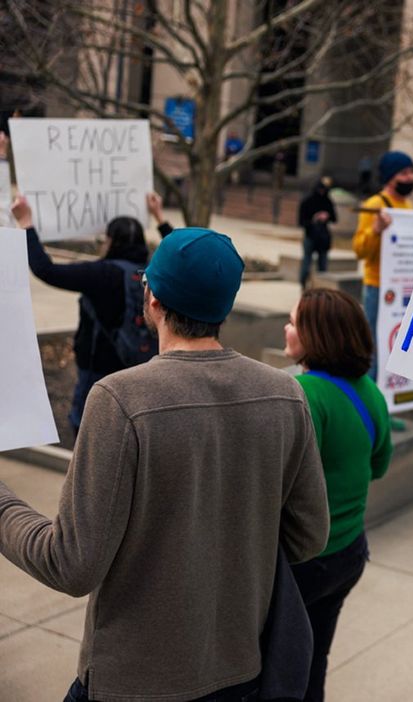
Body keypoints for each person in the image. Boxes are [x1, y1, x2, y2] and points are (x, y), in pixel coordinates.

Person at [0, 226, 329, 700]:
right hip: (240, 673)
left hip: (132, 681)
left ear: (152, 299)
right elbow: (309, 536)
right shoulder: (285, 395)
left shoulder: (120, 399)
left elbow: (70, 564)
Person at [283, 288, 393, 701]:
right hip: (349, 554)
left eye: (294, 322)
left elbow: (282, 483)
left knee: (277, 667)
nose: (287, 329)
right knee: (314, 660)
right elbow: (379, 466)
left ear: (317, 335)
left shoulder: (304, 394)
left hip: (303, 562)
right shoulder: (370, 392)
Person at [11, 193, 173, 434]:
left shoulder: (100, 274)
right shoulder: (154, 273)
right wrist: (159, 217)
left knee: (90, 430)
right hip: (140, 369)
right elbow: (182, 255)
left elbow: (46, 270)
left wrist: (26, 223)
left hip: (97, 373)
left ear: (110, 241)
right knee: (131, 431)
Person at [352, 150, 413, 379]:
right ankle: (370, 386)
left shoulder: (408, 205)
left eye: (412, 172)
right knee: (374, 341)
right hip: (377, 285)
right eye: (404, 173)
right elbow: (360, 250)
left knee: (394, 340)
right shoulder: (374, 204)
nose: (410, 178)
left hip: (401, 285)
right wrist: (376, 230)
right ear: (390, 177)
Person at [298, 176, 338, 288]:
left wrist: (327, 216)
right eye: (320, 190)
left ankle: (321, 287)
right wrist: (314, 219)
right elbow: (301, 222)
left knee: (323, 265)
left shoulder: (327, 201)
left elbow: (334, 218)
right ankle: (303, 284)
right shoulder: (307, 201)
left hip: (323, 237)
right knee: (306, 262)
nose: (322, 192)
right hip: (310, 235)